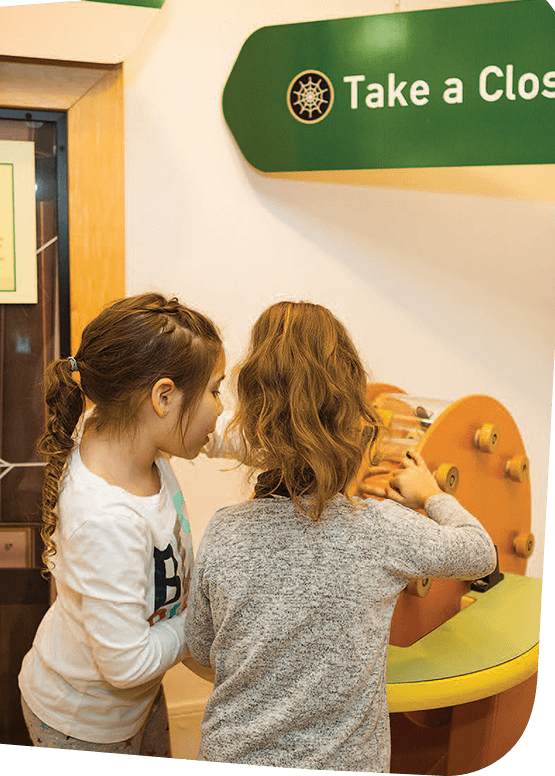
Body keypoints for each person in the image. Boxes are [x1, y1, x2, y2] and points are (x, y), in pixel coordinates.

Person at [184, 300, 496, 772]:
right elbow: (482, 553)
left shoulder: (225, 529)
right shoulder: (381, 530)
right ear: (353, 418)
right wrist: (431, 494)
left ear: (251, 418)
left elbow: (202, 647)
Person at [18, 292, 225, 757]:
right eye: (215, 389)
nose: (220, 407)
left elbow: (213, 434)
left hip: (134, 701)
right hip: (83, 724)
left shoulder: (120, 429)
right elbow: (128, 665)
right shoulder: (106, 520)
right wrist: (201, 619)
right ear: (164, 397)